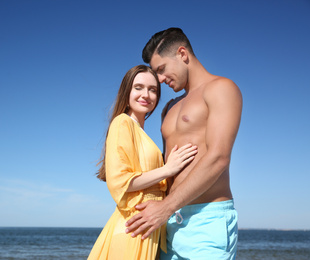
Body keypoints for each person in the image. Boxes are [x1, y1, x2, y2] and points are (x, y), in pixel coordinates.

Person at [125, 28, 243, 259]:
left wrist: (165, 208)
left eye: (161, 69)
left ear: (182, 54)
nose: (159, 79)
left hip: (206, 220)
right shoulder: (169, 108)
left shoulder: (221, 88)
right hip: (167, 222)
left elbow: (218, 157)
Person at [88, 65, 198, 260]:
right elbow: (121, 182)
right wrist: (168, 169)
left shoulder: (141, 132)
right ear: (127, 91)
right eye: (138, 87)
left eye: (153, 89)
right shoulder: (123, 123)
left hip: (147, 227)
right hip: (133, 228)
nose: (146, 94)